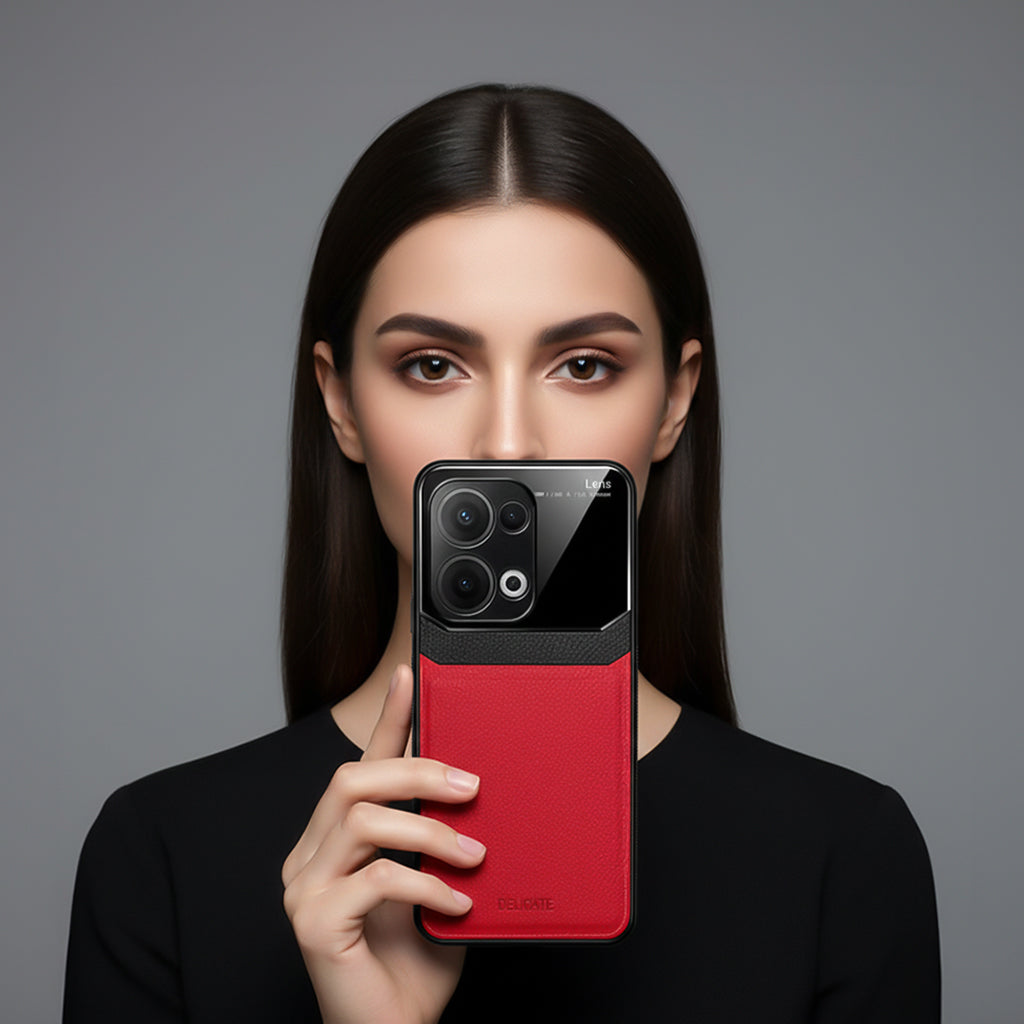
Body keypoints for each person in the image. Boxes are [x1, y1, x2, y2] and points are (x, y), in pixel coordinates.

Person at [63, 83, 941, 1022]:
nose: (511, 440)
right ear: (342, 403)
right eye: (433, 366)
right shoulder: (158, 854)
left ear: (675, 400)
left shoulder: (843, 855)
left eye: (585, 364)